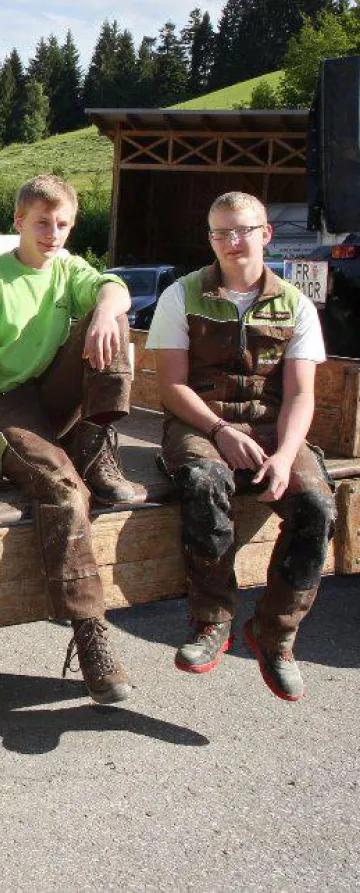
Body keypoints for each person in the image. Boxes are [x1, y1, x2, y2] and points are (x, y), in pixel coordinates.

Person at [0, 174, 145, 704]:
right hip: (4, 404)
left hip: (53, 398)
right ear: (19, 223)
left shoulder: (68, 270)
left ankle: (98, 451)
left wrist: (104, 308)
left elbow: (114, 287)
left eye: (62, 225)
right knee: (62, 490)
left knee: (115, 318)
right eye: (42, 223)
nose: (52, 234)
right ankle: (91, 633)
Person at [147, 192, 334, 701]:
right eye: (219, 232)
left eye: (242, 230)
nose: (231, 242)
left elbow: (299, 393)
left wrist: (283, 455)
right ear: (209, 238)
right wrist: (218, 431)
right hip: (201, 422)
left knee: (317, 503)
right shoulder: (181, 296)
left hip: (273, 426)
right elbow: (171, 388)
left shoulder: (294, 305)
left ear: (265, 234)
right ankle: (212, 621)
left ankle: (275, 634)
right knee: (206, 481)